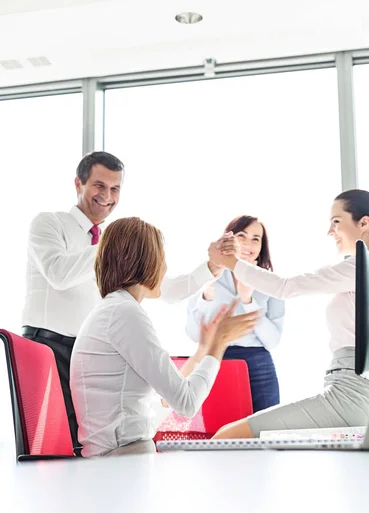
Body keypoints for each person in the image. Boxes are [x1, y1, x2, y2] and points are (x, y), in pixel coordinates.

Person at [21, 151, 227, 453]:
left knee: (91, 442)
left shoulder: (121, 292)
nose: (107, 196)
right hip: (47, 346)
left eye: (115, 188)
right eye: (99, 186)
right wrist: (113, 246)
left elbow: (159, 287)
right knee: (53, 447)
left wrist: (211, 268)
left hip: (95, 349)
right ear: (78, 183)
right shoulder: (49, 224)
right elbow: (58, 274)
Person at [207, 189, 369, 439]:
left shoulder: (363, 267)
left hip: (351, 392)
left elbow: (285, 287)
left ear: (364, 223)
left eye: (336, 222)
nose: (330, 231)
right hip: (354, 388)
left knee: (228, 435)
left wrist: (232, 263)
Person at [70, 217, 261, 457]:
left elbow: (166, 399)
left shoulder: (114, 310)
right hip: (122, 462)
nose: (165, 268)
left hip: (118, 458)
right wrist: (218, 345)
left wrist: (204, 349)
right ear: (143, 262)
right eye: (162, 258)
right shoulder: (124, 314)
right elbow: (187, 403)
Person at [186, 215, 284, 412]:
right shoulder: (206, 276)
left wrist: (248, 300)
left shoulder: (272, 282)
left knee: (264, 434)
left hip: (258, 366)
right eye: (242, 235)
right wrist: (207, 297)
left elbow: (272, 341)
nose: (249, 244)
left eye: (256, 238)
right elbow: (194, 334)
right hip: (215, 359)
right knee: (219, 433)